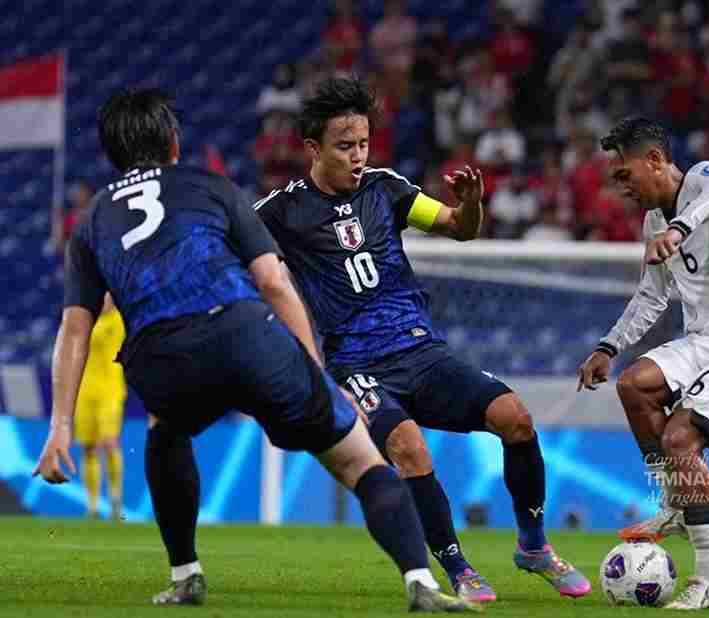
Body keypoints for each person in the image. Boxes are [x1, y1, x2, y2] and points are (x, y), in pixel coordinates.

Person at [32, 88, 477, 613]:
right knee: (357, 459)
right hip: (248, 334)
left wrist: (59, 425)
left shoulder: (91, 222)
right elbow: (272, 280)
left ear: (111, 154)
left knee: (165, 432)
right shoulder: (210, 186)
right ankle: (420, 582)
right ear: (174, 143)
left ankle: (185, 575)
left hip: (163, 351)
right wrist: (317, 374)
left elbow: (76, 328)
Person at [254, 76, 591, 602]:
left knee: (516, 419)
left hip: (422, 351)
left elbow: (459, 227)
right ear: (313, 148)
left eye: (364, 143)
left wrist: (472, 204)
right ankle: (458, 569)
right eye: (345, 146)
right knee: (409, 447)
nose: (358, 155)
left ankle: (534, 546)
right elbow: (233, 248)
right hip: (358, 366)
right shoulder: (281, 211)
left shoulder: (386, 188)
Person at [576, 116, 709, 610]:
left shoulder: (704, 181)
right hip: (705, 341)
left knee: (680, 439)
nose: (622, 186)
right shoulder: (653, 222)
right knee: (634, 385)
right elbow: (652, 295)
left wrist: (682, 225)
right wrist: (609, 346)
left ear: (655, 160)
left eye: (625, 174)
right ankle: (676, 499)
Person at [74, 293, 127, 520]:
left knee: (109, 442)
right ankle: (93, 506)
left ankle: (115, 499)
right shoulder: (86, 318)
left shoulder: (119, 319)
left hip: (111, 391)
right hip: (85, 391)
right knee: (88, 447)